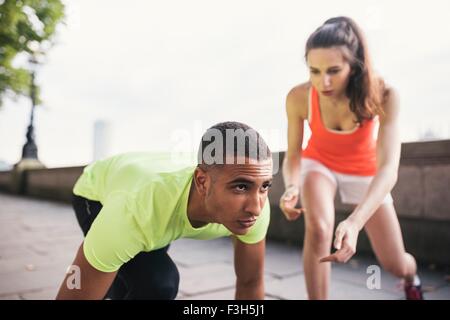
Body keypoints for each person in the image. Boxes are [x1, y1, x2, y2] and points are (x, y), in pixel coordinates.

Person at [279, 16, 423, 300]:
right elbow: (293, 153)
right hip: (319, 164)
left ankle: (412, 278)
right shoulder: (298, 97)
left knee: (395, 262)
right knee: (319, 229)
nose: (324, 82)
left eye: (334, 70)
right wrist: (292, 186)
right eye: (314, 71)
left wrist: (355, 222)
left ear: (354, 66)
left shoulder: (385, 95)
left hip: (365, 173)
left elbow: (388, 170)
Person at [56, 121, 273, 299]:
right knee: (158, 282)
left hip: (151, 189)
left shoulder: (255, 210)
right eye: (240, 187)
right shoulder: (137, 210)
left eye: (265, 186)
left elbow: (250, 283)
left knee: (135, 278)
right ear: (202, 182)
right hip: (96, 192)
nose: (255, 207)